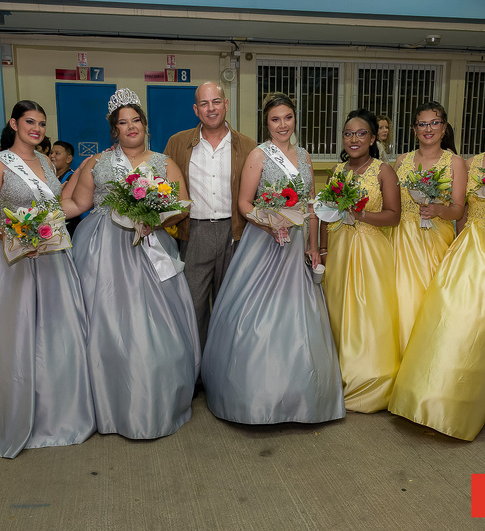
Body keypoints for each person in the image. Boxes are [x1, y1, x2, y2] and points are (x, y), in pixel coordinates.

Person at [389, 103, 485, 441]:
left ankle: (460, 407)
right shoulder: (470, 164)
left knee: (479, 324)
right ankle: (424, 398)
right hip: (467, 247)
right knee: (443, 313)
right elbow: (462, 212)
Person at [61, 88, 199, 439]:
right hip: (102, 250)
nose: (131, 127)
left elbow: (183, 205)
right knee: (105, 323)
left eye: (136, 120)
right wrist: (39, 216)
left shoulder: (164, 162)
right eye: (123, 123)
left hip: (150, 245)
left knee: (153, 324)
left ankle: (153, 397)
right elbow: (78, 204)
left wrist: (157, 220)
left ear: (145, 125)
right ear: (114, 129)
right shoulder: (97, 162)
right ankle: (107, 400)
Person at [200, 92, 345, 425]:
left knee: (299, 317)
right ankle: (256, 395)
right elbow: (244, 204)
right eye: (275, 119)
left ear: (295, 119)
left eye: (288, 117)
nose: (283, 125)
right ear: (266, 123)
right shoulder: (258, 155)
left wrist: (313, 246)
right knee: (257, 318)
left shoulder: (305, 156)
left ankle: (302, 396)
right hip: (264, 243)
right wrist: (269, 224)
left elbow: (310, 206)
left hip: (296, 246)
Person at [0, 100, 95, 458]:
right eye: (29, 122)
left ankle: (58, 413)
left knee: (57, 331)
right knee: (18, 332)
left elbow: (58, 206)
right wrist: (18, 239)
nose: (36, 129)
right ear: (14, 124)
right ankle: (14, 414)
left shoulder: (46, 162)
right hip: (15, 258)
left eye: (41, 123)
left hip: (52, 255)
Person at [164, 81, 257, 350]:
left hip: (236, 233)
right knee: (193, 306)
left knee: (232, 305)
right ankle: (196, 367)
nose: (211, 108)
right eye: (204, 104)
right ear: (196, 110)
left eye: (216, 101)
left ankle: (226, 366)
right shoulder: (177, 143)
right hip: (194, 233)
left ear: (226, 104)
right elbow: (158, 180)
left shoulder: (248, 146)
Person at [321, 109, 401, 413]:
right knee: (338, 310)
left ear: (372, 138)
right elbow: (326, 214)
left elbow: (393, 216)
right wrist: (323, 250)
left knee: (369, 313)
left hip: (370, 251)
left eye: (361, 133)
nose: (354, 139)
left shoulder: (383, 171)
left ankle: (368, 380)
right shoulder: (336, 171)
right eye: (348, 134)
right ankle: (339, 375)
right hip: (339, 248)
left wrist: (361, 214)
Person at [389, 102, 468, 353]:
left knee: (428, 301)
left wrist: (438, 210)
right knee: (399, 299)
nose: (428, 129)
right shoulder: (401, 160)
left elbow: (458, 209)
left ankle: (423, 355)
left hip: (434, 240)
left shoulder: (455, 162)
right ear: (414, 130)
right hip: (400, 238)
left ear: (444, 128)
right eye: (422, 124)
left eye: (434, 123)